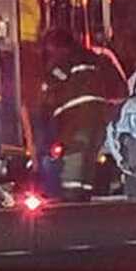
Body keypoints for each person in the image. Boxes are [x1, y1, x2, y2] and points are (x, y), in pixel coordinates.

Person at [41, 28, 110, 201]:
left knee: (75, 153)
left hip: (76, 119)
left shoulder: (62, 60)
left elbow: (52, 84)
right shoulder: (92, 58)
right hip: (99, 117)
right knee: (88, 156)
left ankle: (72, 196)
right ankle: (84, 192)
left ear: (56, 46)